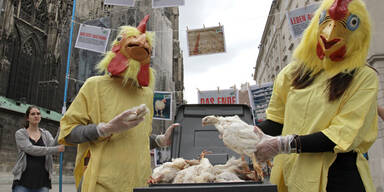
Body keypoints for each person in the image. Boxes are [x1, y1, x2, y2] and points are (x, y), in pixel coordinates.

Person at [253, 0, 377, 191]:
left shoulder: (363, 78)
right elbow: (276, 123)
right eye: (324, 20)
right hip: (293, 178)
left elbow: (341, 135)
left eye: (349, 24)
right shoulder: (292, 73)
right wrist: (240, 132)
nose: (330, 34)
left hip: (338, 180)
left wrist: (284, 144)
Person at [58, 15, 180, 192]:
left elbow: (135, 138)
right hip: (102, 185)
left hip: (140, 183)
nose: (141, 44)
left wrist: (160, 140)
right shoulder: (94, 85)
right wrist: (105, 129)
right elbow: (67, 132)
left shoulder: (146, 93)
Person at [12, 105, 65, 192]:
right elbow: (31, 149)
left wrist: (61, 129)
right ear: (27, 118)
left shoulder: (46, 134)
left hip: (42, 181)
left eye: (38, 114)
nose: (36, 116)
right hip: (23, 181)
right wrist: (56, 149)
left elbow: (53, 146)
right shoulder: (20, 133)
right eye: (33, 114)